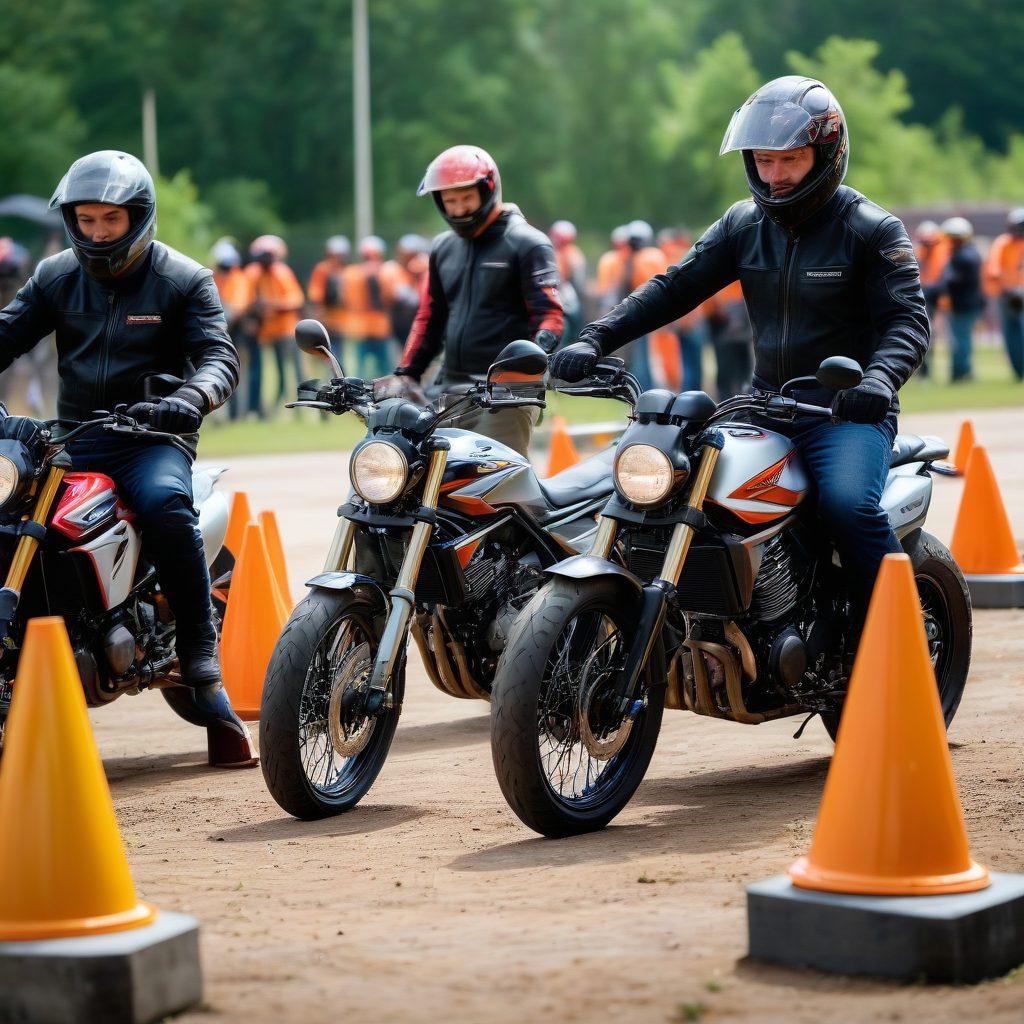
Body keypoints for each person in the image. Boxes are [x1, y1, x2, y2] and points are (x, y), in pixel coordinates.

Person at [552, 77, 929, 627]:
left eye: (790, 161)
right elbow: (675, 287)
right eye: (763, 161)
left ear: (826, 155)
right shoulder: (743, 223)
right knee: (678, 488)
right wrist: (595, 336)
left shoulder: (870, 229)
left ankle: (903, 637)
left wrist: (877, 381)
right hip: (761, 407)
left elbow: (907, 321)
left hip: (844, 414)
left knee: (848, 506)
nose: (774, 177)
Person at [0, 150, 255, 766]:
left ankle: (199, 655)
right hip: (74, 439)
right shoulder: (57, 276)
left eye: (109, 220)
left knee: (167, 507)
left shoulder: (184, 279)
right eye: (85, 220)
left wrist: (189, 398)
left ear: (138, 217)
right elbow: (6, 333)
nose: (96, 233)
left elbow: (220, 358)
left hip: (152, 440)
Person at [389, 145, 564, 456]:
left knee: (495, 483)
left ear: (489, 190)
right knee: (422, 482)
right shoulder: (442, 248)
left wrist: (527, 367)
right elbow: (430, 318)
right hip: (448, 389)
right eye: (450, 200)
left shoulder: (527, 243)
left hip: (507, 393)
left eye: (466, 198)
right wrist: (406, 374)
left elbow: (549, 316)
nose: (458, 210)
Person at [594, 221, 667, 389]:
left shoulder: (633, 259)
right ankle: (645, 388)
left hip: (640, 312)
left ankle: (643, 388)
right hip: (652, 312)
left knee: (643, 357)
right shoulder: (650, 256)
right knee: (645, 357)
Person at [244, 235, 304, 418]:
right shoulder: (253, 273)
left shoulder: (281, 272)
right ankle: (267, 409)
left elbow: (296, 299)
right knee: (272, 372)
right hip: (266, 332)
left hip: (286, 330)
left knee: (295, 370)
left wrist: (272, 305)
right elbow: (246, 299)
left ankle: (301, 407)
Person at [210, 238, 256, 421]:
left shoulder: (238, 278)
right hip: (219, 330)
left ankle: (237, 413)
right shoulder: (215, 276)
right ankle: (222, 413)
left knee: (235, 372)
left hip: (235, 332)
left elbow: (238, 307)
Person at [939, 217, 984, 383]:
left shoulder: (965, 256)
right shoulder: (968, 253)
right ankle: (962, 371)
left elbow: (954, 280)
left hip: (964, 305)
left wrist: (942, 284)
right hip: (965, 304)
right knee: (961, 339)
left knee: (960, 340)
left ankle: (961, 373)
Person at [342, 236, 393, 380]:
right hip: (379, 326)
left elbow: (345, 299)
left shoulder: (350, 273)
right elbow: (389, 296)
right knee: (384, 369)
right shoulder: (384, 271)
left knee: (361, 369)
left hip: (360, 327)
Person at [983, 208, 1024, 381]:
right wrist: (1008, 287)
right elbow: (993, 268)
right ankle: (1018, 370)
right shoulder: (1003, 242)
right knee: (1011, 334)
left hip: (1020, 293)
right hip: (1006, 295)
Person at [912, 219, 949, 379]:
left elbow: (943, 279)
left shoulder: (942, 252)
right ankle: (922, 370)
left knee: (930, 335)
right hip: (920, 298)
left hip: (935, 299)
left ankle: (927, 370)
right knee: (919, 334)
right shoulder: (918, 251)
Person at [306, 235, 351, 362]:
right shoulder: (323, 269)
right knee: (331, 355)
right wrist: (319, 314)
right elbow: (316, 294)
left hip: (342, 319)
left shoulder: (346, 270)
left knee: (339, 354)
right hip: (327, 318)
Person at [380, 233, 429, 348]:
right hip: (397, 325)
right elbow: (406, 299)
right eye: (409, 255)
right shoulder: (391, 269)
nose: (412, 259)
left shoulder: (423, 269)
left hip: (419, 326)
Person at [549, 220, 587, 343]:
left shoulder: (573, 253)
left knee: (574, 323)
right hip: (555, 292)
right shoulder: (550, 251)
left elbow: (578, 280)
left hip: (565, 292)